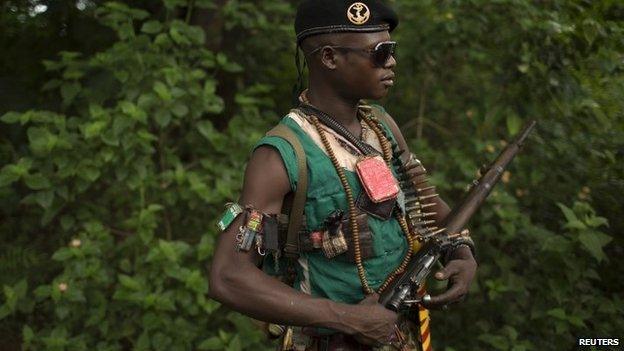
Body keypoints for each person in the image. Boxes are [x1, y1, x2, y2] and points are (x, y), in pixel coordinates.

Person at [209, 1, 477, 350]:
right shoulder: (281, 155)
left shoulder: (381, 126)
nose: (392, 61)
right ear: (330, 58)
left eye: (392, 49)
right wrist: (347, 318)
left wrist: (461, 253)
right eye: (380, 52)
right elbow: (228, 277)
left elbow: (425, 205)